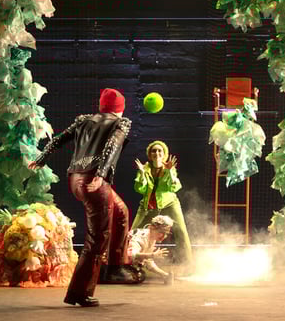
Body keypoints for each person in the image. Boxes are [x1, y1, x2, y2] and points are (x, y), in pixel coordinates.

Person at [29, 88, 136, 307]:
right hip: (94, 181)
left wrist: (41, 159)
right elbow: (112, 146)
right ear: (120, 108)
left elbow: (58, 140)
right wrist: (101, 174)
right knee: (97, 239)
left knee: (120, 211)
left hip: (75, 179)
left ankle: (115, 266)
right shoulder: (120, 123)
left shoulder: (84, 121)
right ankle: (79, 293)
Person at [131, 140, 193, 266]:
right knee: (133, 232)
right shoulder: (145, 168)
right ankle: (129, 263)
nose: (157, 153)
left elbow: (174, 187)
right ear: (150, 154)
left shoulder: (169, 167)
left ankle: (187, 263)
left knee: (181, 231)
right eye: (154, 151)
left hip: (169, 203)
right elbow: (140, 189)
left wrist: (169, 171)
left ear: (164, 154)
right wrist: (142, 174)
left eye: (160, 151)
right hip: (149, 205)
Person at [127, 215, 174, 284]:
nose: (164, 236)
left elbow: (148, 261)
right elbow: (131, 255)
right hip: (117, 265)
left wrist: (164, 275)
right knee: (139, 275)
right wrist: (152, 255)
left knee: (139, 274)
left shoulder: (152, 238)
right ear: (151, 228)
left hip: (127, 266)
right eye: (161, 232)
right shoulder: (141, 237)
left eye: (166, 233)